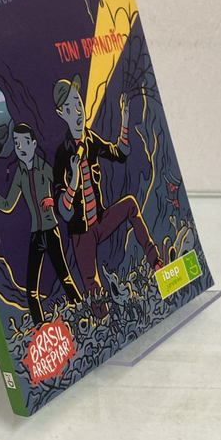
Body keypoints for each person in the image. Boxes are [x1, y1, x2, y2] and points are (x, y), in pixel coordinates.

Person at [52, 74, 163, 311]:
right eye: (70, 108)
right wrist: (73, 181)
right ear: (61, 114)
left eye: (78, 103)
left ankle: (155, 261)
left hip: (100, 220)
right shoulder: (62, 154)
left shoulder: (91, 140)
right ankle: (105, 317)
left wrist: (125, 122)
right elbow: (62, 209)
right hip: (82, 234)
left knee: (130, 204)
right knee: (95, 296)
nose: (78, 112)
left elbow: (119, 153)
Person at [0, 123, 82, 328]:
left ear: (34, 144)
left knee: (65, 277)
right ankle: (40, 326)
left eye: (24, 142)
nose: (20, 147)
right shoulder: (19, 173)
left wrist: (54, 201)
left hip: (51, 231)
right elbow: (7, 204)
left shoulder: (44, 168)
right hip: (36, 235)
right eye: (16, 143)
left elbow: (62, 190)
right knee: (31, 288)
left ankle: (82, 308)